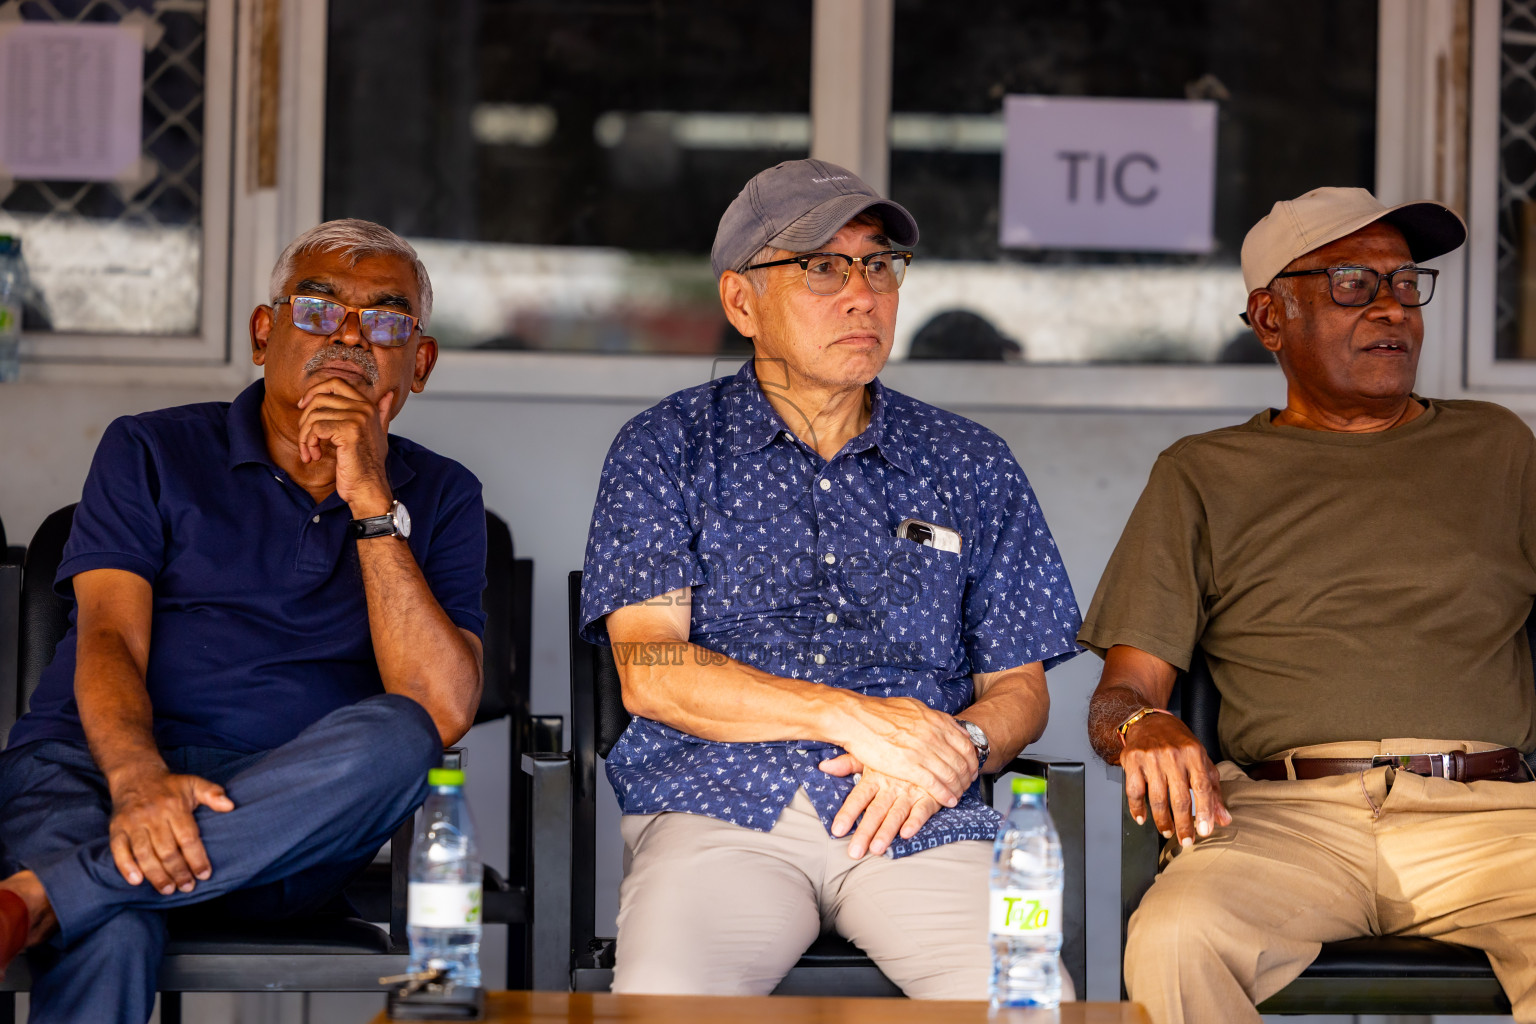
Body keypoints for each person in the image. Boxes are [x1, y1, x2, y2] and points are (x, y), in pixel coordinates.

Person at [578, 158, 1082, 998]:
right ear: (742, 302)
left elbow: (1019, 686)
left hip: (924, 814)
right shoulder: (666, 448)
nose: (862, 294)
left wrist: (960, 746)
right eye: (822, 267)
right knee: (669, 998)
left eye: (878, 265)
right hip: (719, 809)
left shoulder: (969, 463)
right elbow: (651, 670)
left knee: (1034, 1003)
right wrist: (860, 721)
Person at [0, 220, 487, 1023]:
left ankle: (45, 895)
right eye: (319, 309)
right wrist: (139, 781)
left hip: (285, 826)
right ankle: (90, 887)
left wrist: (370, 496)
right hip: (93, 778)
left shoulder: (441, 496)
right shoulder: (150, 449)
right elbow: (109, 637)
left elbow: (439, 706)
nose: (351, 338)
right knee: (112, 929)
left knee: (403, 735)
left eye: (387, 320)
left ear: (420, 364)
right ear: (265, 335)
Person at [1081, 186, 1536, 1024]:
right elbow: (1121, 696)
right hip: (1285, 825)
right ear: (1269, 318)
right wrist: (1144, 726)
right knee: (1174, 937)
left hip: (1492, 817)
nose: (1392, 308)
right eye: (1354, 285)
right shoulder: (1203, 474)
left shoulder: (1499, 447)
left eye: (1405, 284)